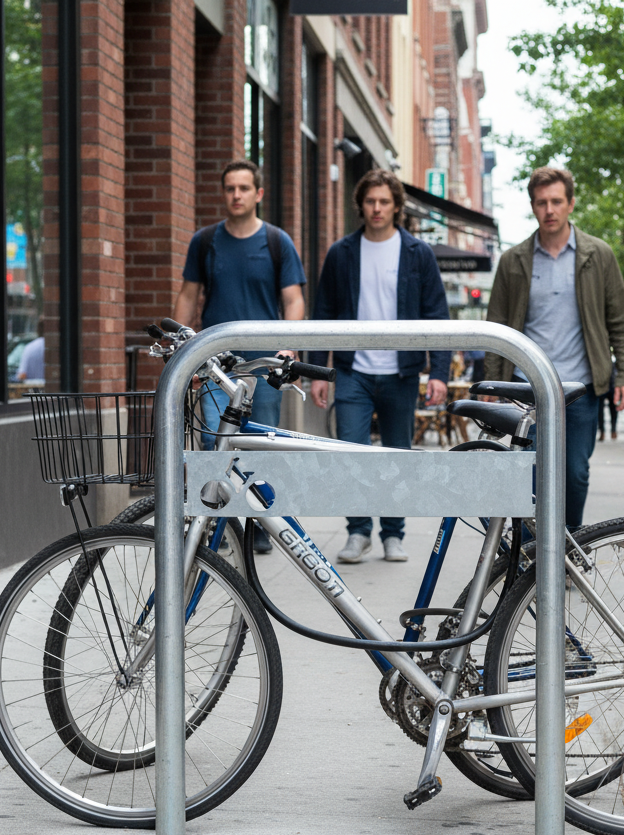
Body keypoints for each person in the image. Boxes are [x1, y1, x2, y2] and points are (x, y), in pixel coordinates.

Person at [308, 169, 450, 564]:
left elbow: (437, 315)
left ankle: (392, 534)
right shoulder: (342, 253)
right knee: (352, 453)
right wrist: (319, 372)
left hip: (401, 373)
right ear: (360, 204)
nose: (377, 208)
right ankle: (358, 531)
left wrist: (439, 373)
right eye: (370, 201)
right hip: (353, 370)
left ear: (396, 206)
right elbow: (324, 313)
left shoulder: (417, 253)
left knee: (396, 456)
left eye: (384, 201)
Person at [484, 167, 624, 530]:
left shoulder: (598, 255)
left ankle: (568, 545)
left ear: (571, 204)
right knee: (530, 473)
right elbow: (496, 326)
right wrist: (492, 381)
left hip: (579, 387)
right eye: (541, 202)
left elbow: (620, 321)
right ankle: (527, 553)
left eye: (556, 201)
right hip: (527, 387)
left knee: (575, 473)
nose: (549, 210)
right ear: (532, 206)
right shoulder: (514, 260)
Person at [172, 159, 307, 552]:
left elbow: (294, 299)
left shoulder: (277, 242)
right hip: (217, 363)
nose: (236, 195)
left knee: (260, 443)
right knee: (214, 440)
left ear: (258, 193)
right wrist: (182, 347)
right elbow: (188, 295)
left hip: (263, 365)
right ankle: (214, 526)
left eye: (244, 188)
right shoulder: (205, 241)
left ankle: (262, 526)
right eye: (230, 188)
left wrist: (288, 343)